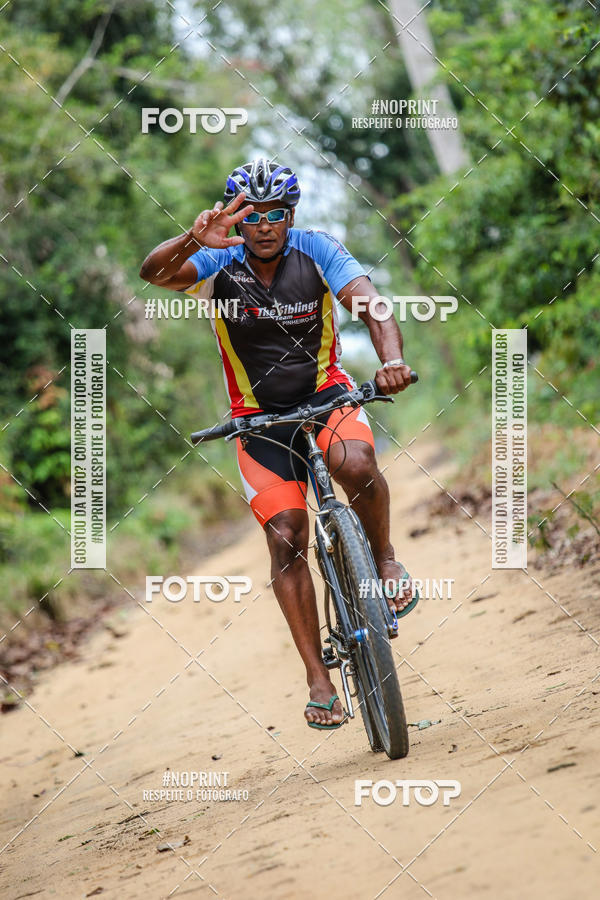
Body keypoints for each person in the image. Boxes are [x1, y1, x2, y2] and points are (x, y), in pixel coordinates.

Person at [140, 158, 417, 729]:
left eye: (277, 215)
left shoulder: (318, 250)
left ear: (291, 216)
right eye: (254, 216)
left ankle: (385, 561)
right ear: (237, 220)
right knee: (287, 535)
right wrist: (195, 236)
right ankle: (320, 680)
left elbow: (372, 306)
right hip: (257, 419)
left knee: (356, 461)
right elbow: (154, 274)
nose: (265, 226)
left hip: (326, 397)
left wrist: (391, 359)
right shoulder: (217, 260)